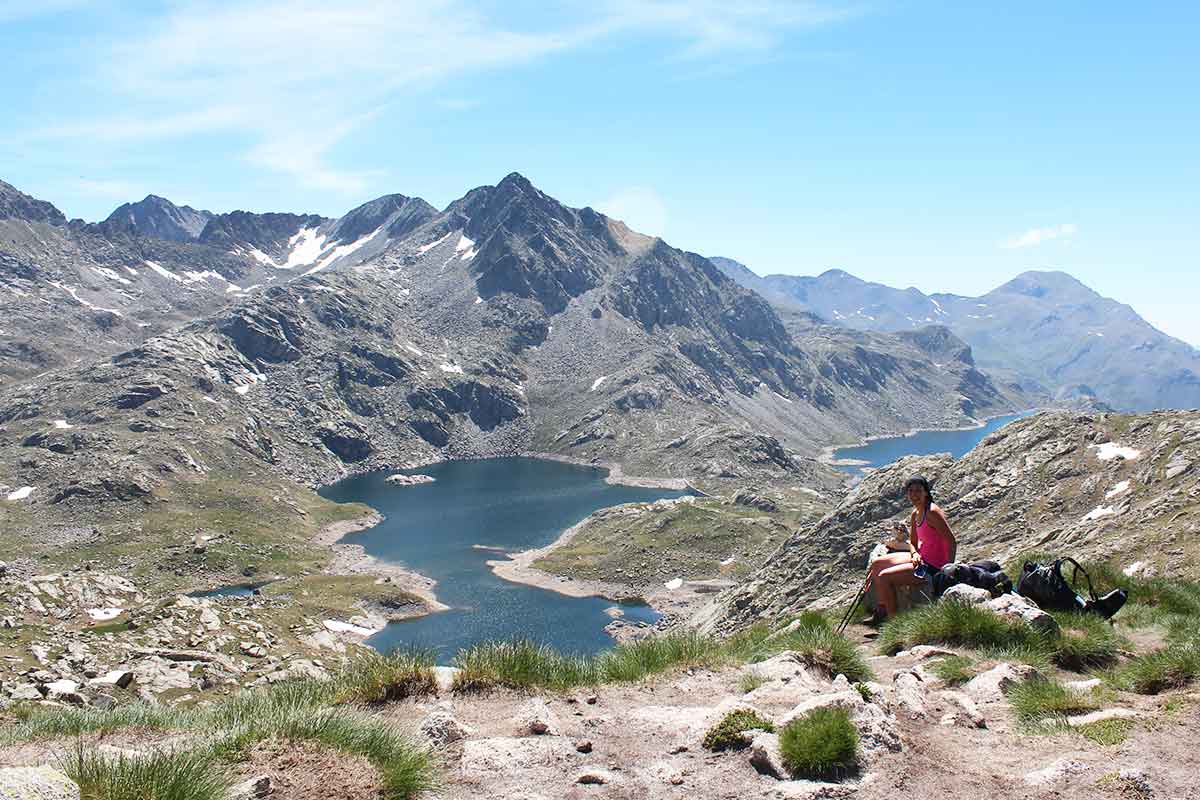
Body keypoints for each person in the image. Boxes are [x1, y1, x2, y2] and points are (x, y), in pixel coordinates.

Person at [864, 476, 956, 621]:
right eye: (911, 491)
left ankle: (894, 623)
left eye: (918, 491)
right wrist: (914, 554)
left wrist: (947, 569)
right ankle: (882, 609)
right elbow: (913, 542)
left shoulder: (932, 512)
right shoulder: (915, 513)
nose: (914, 495)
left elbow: (951, 541)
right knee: (877, 564)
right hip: (921, 558)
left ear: (926, 492)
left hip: (930, 567)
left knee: (884, 577)